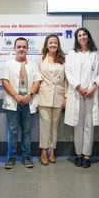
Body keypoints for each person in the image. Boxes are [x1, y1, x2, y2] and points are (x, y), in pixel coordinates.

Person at [1, 37, 42, 169]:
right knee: (12, 131)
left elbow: (37, 82)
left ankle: (26, 157)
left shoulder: (33, 65)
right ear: (14, 48)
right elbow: (4, 81)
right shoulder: (8, 64)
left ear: (27, 49)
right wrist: (15, 95)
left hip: (28, 103)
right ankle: (11, 158)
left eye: (24, 47)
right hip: (12, 103)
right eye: (19, 47)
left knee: (27, 131)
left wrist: (30, 95)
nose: (21, 49)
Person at [64, 27, 99, 168]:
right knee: (77, 125)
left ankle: (87, 155)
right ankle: (79, 154)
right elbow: (68, 72)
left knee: (89, 125)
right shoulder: (72, 54)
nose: (82, 37)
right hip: (77, 93)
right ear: (76, 38)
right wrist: (79, 87)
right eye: (79, 35)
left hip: (91, 94)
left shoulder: (96, 54)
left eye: (84, 34)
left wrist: (93, 87)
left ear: (88, 36)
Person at [38, 34, 66, 165]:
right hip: (44, 95)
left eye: (55, 43)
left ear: (58, 45)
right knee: (45, 125)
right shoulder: (41, 59)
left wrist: (65, 97)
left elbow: (66, 80)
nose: (53, 45)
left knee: (55, 125)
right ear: (46, 45)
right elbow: (37, 78)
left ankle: (52, 150)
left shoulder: (63, 60)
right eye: (50, 43)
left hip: (58, 96)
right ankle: (44, 151)